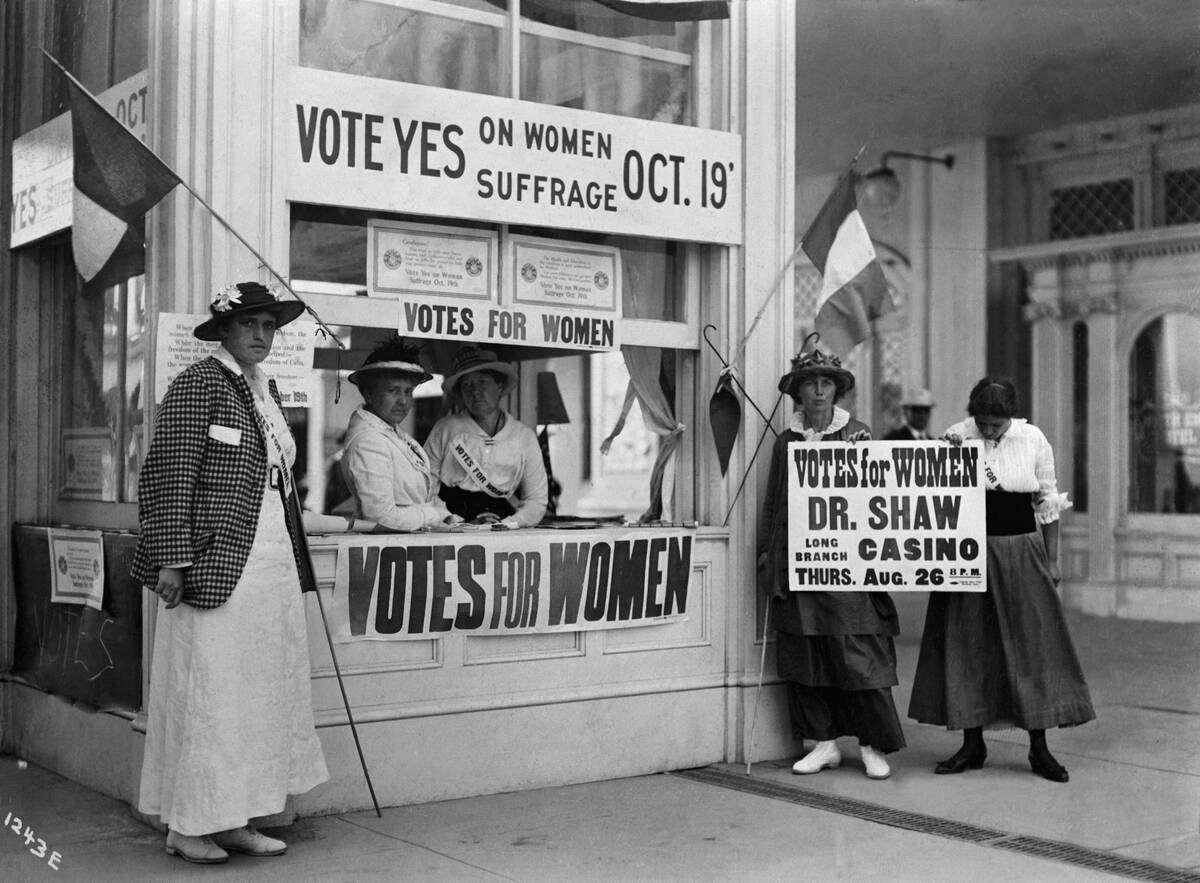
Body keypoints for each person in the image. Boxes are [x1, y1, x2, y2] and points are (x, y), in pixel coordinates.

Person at [131, 282, 329, 863]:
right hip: (218, 563)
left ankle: (235, 816)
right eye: (249, 325)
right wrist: (171, 557)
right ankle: (189, 824)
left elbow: (278, 482)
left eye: (270, 326)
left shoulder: (261, 390)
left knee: (256, 694)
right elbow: (168, 473)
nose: (262, 336)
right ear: (222, 331)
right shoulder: (199, 383)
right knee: (210, 692)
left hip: (269, 563)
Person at [908, 376, 1095, 782]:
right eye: (983, 423)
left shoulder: (1032, 439)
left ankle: (1039, 748)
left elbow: (1047, 501)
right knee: (967, 644)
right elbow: (926, 490)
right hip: (967, 552)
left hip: (1019, 550)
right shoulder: (957, 435)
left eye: (996, 424)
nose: (988, 430)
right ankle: (972, 744)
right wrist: (946, 458)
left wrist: (1053, 559)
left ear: (1010, 416)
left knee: (1030, 646)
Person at [757, 338, 905, 781]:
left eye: (826, 383)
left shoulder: (856, 432)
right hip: (799, 563)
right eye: (810, 383)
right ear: (798, 392)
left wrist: (865, 454)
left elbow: (881, 497)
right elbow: (774, 504)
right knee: (808, 652)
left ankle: (872, 745)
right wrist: (767, 555)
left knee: (858, 652)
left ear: (835, 391)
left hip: (848, 565)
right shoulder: (786, 442)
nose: (819, 391)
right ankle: (824, 744)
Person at [341, 336, 458, 531]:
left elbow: (422, 499)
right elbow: (381, 517)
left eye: (408, 391)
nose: (403, 401)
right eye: (393, 390)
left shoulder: (393, 434)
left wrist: (446, 517)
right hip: (385, 550)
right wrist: (433, 515)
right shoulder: (369, 441)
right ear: (368, 393)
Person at [425, 344, 548, 527]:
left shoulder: (523, 436)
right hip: (453, 524)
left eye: (482, 382)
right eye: (467, 384)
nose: (475, 391)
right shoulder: (445, 429)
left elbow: (536, 501)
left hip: (505, 526)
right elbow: (425, 488)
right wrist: (457, 523)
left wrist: (508, 524)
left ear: (499, 386)